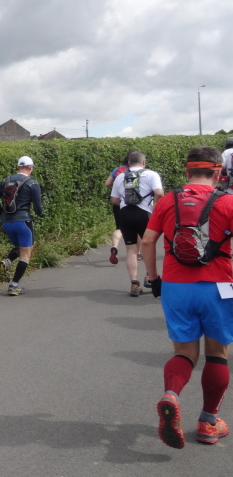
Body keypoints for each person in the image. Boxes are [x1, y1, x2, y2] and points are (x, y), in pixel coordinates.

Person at [143, 146, 233, 448]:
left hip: (176, 286)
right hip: (218, 286)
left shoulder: (167, 201)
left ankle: (171, 395)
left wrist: (154, 279)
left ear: (187, 171)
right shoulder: (228, 202)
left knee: (183, 352)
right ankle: (208, 422)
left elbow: (148, 241)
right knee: (217, 353)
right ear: (219, 172)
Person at [110, 150, 164, 296]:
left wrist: (125, 202)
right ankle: (150, 277)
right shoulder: (151, 174)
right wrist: (157, 207)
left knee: (131, 251)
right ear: (144, 162)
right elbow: (159, 193)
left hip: (125, 214)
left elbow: (114, 200)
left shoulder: (120, 176)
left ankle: (134, 284)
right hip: (144, 214)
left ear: (128, 163)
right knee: (148, 246)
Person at [0, 156, 44, 296]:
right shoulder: (32, 183)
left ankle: (7, 260)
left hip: (6, 223)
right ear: (30, 167)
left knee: (19, 248)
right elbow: (38, 209)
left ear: (18, 167)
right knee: (26, 254)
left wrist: (1, 213)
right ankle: (13, 286)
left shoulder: (5, 181)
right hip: (23, 222)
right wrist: (41, 214)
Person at [105, 151, 133, 264]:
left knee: (119, 228)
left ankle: (114, 247)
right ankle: (138, 252)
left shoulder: (117, 170)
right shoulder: (138, 171)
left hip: (118, 202)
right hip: (132, 203)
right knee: (137, 229)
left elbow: (107, 183)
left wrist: (118, 185)